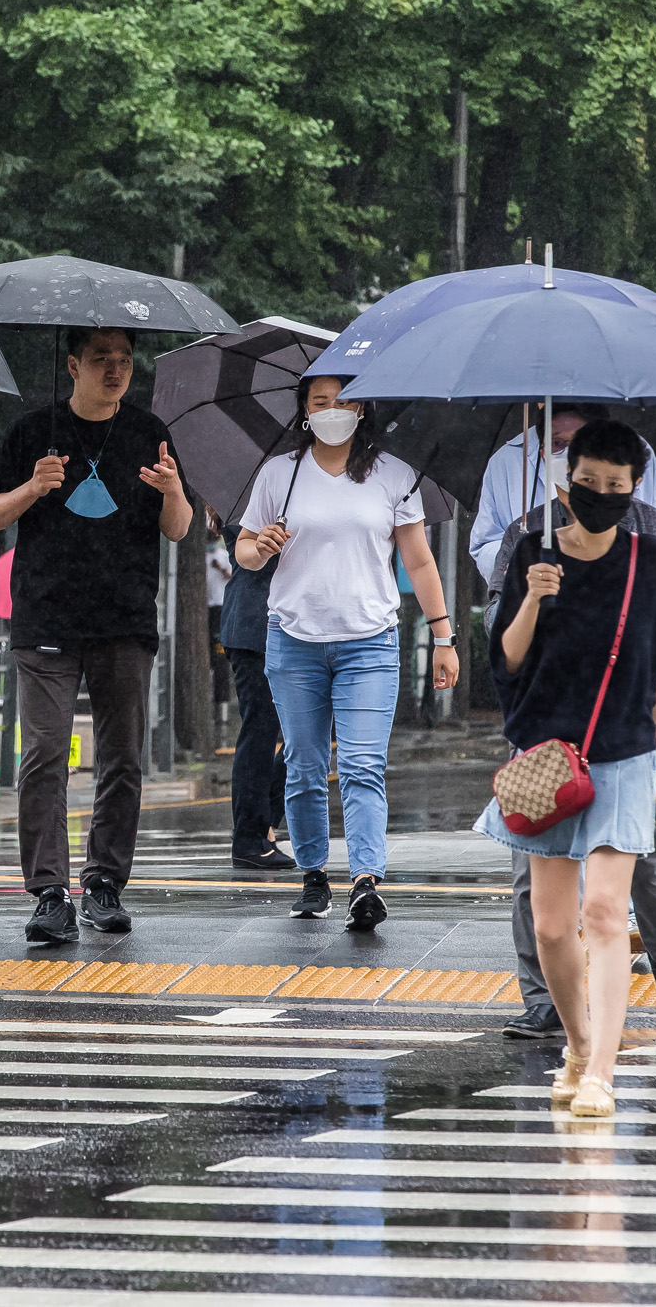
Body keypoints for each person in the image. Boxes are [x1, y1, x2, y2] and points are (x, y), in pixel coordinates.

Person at [481, 407, 656, 1039]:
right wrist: (533, 595)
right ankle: (543, 998)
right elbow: (499, 636)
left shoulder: (653, 536)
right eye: (581, 472)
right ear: (563, 471)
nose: (601, 493)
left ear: (634, 480)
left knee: (643, 861)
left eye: (615, 483)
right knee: (533, 876)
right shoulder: (528, 537)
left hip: (622, 733)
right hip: (544, 732)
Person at [0, 327, 192, 945]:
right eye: (101, 360)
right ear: (72, 366)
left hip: (124, 619)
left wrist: (173, 491)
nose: (115, 370)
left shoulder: (149, 432)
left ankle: (104, 884)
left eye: (124, 360)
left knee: (123, 756)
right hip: (46, 617)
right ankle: (49, 892)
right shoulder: (31, 432)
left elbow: (178, 528)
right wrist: (32, 487)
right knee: (44, 754)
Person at [234, 373, 457, 929]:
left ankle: (365, 882)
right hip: (293, 642)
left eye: (345, 400)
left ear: (363, 409)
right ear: (305, 411)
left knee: (362, 765)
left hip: (370, 643)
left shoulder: (393, 474)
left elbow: (418, 560)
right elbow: (244, 550)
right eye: (321, 401)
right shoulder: (279, 474)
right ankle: (313, 875)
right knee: (305, 766)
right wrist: (260, 546)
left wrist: (443, 637)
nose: (333, 410)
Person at [468, 405, 656, 583]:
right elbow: (487, 544)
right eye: (557, 443)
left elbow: (652, 536)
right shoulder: (506, 462)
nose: (568, 453)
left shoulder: (637, 457)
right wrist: (519, 565)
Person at [219, 518, 291, 869]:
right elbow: (249, 550)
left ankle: (261, 825)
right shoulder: (254, 498)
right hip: (256, 625)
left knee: (301, 736)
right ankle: (250, 837)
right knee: (261, 732)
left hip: (279, 622)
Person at [206, 526, 233, 720]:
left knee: (220, 655)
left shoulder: (223, 556)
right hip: (206, 607)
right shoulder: (201, 558)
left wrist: (220, 568)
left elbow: (232, 577)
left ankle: (221, 704)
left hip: (220, 606)